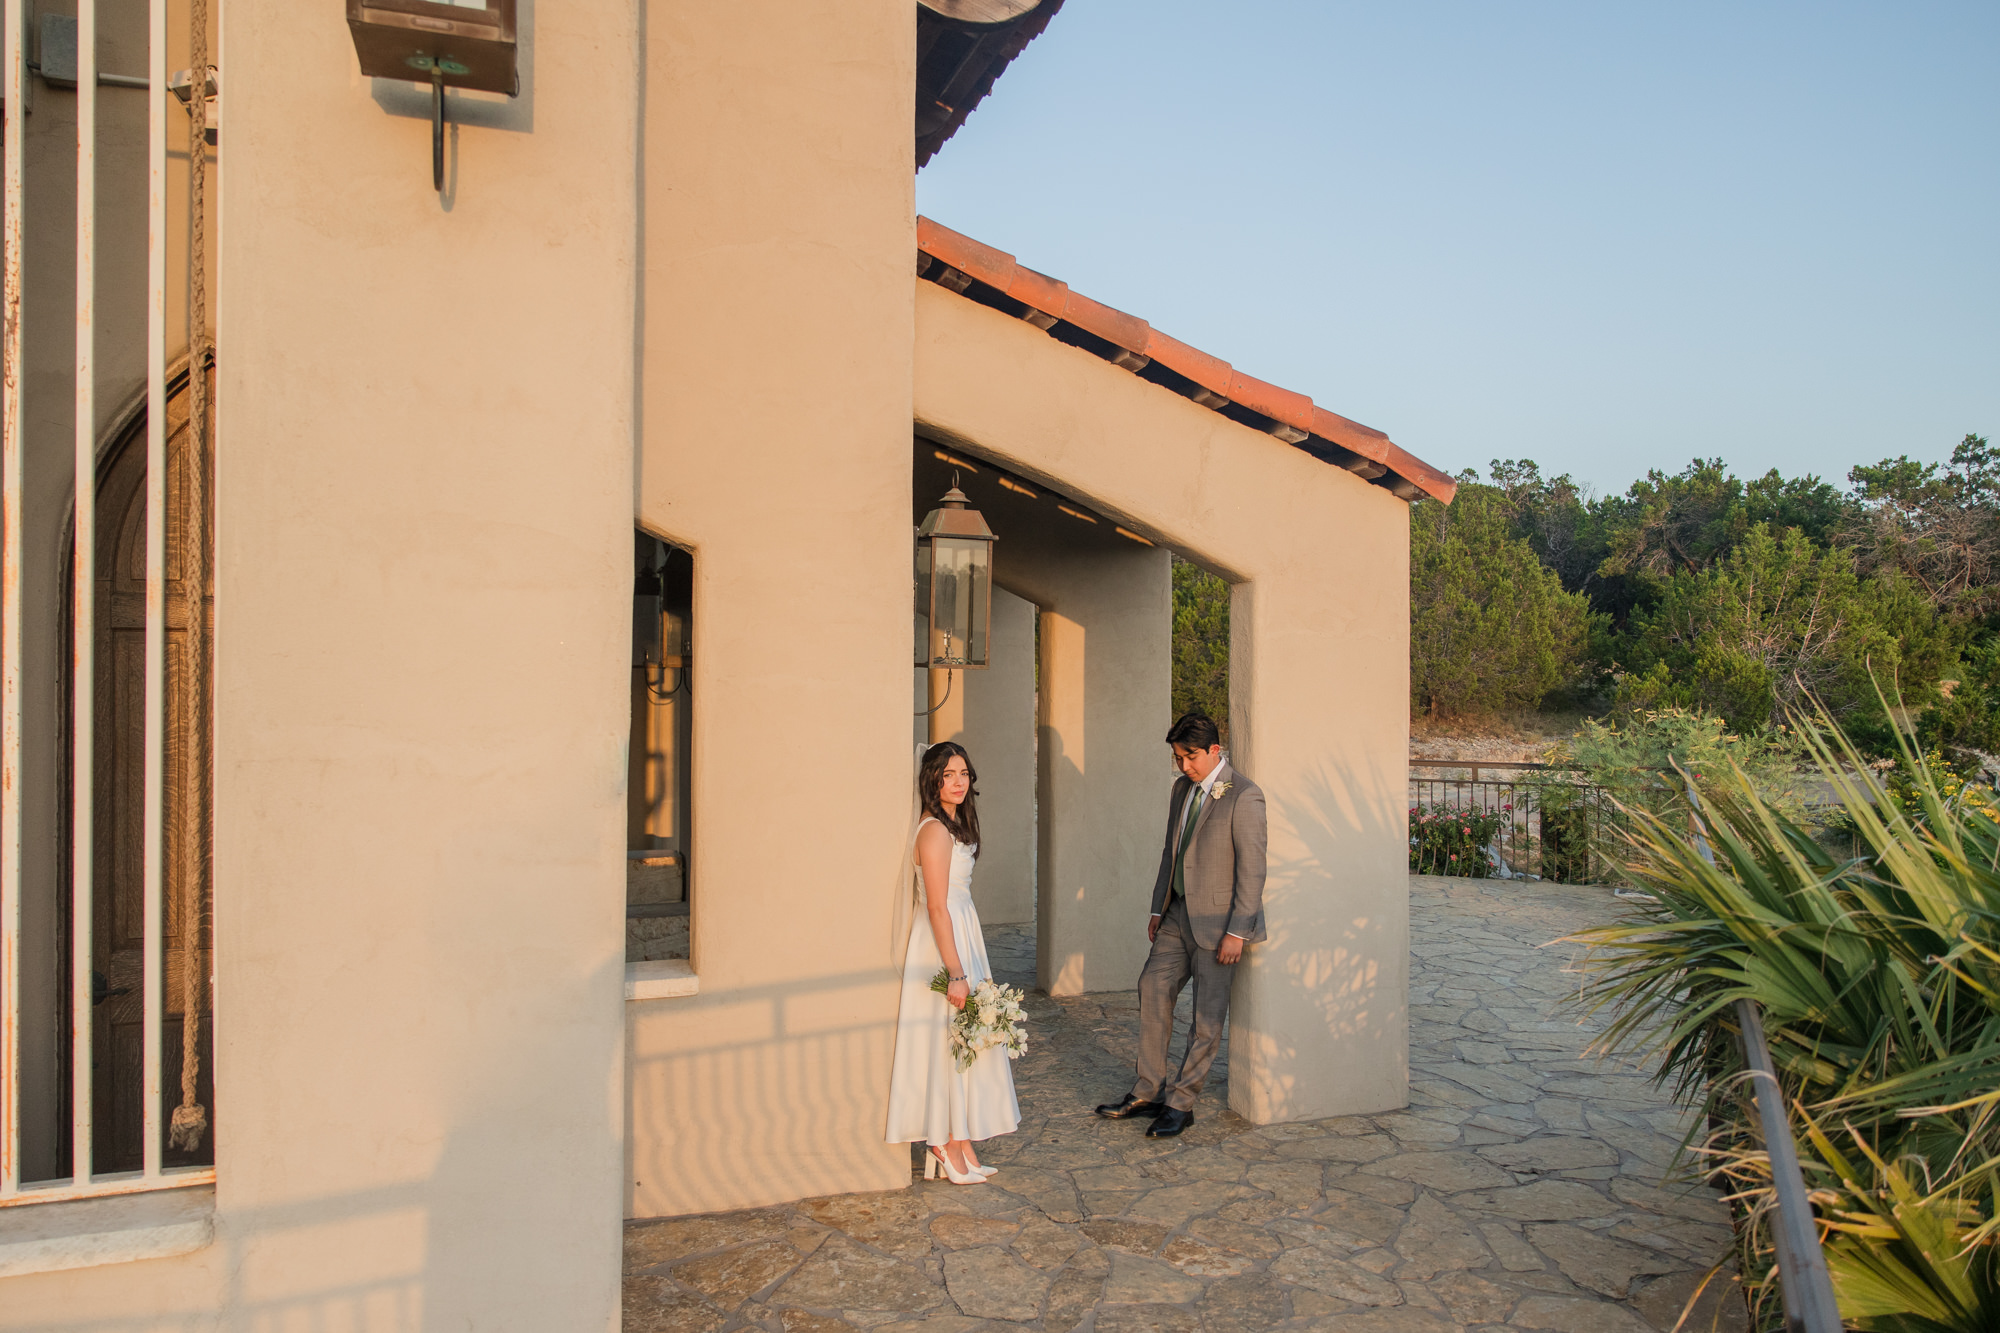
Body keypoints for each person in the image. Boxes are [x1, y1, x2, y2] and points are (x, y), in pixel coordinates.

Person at [1095, 711, 1266, 1138]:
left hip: (1219, 925)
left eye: (1190, 757)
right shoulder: (1180, 790)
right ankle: (1148, 1091)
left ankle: (1181, 1103)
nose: (1184, 766)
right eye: (1177, 758)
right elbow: (1170, 852)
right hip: (1176, 916)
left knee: (1206, 1020)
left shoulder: (1244, 796)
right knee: (1152, 988)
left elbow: (1253, 870)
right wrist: (1158, 907)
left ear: (1214, 750)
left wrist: (1237, 931)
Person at [886, 741, 1020, 1182]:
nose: (959, 782)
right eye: (948, 774)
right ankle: (941, 1141)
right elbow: (937, 907)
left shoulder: (954, 824)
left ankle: (961, 1139)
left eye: (963, 773)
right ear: (932, 780)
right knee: (946, 1041)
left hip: (963, 929)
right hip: (943, 940)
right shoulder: (934, 831)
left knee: (961, 1041)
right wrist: (957, 974)